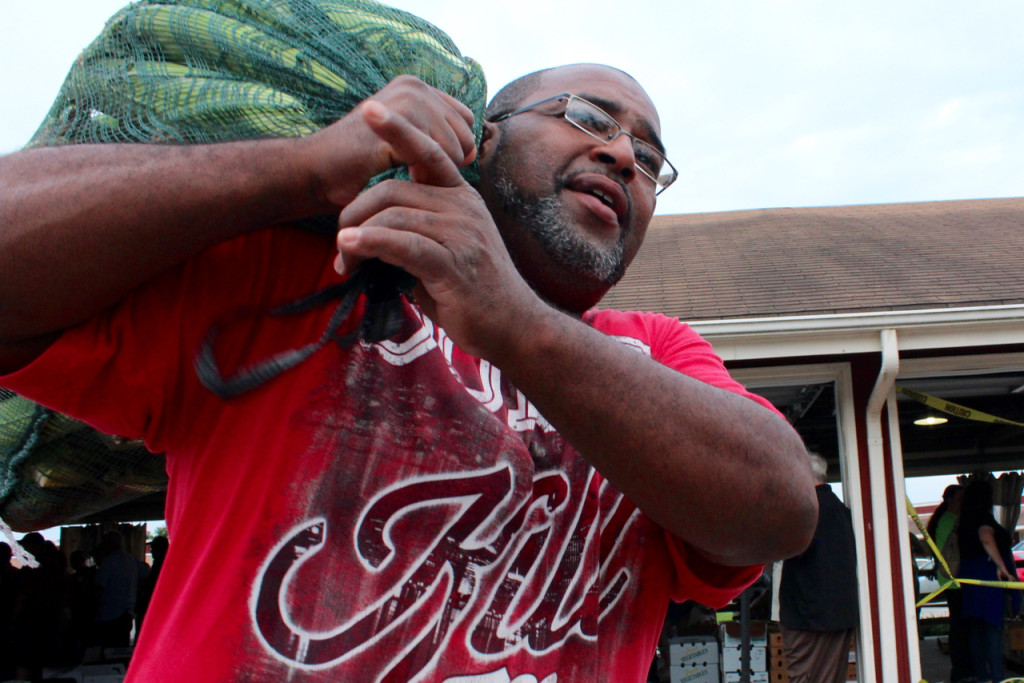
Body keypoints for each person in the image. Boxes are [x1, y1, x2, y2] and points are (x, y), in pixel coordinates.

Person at [0, 56, 818, 680]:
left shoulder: (653, 355)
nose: (622, 155)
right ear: (481, 137)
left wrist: (514, 321)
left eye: (650, 157)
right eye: (588, 116)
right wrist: (304, 167)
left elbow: (779, 510)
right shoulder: (311, 278)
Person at [778, 452, 859, 683]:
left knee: (805, 677)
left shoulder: (809, 511)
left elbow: (791, 548)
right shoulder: (838, 509)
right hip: (835, 614)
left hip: (809, 617)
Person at [958, 478, 1018, 683]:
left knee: (976, 628)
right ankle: (997, 676)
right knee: (992, 627)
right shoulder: (983, 518)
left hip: (969, 576)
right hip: (987, 575)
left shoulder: (964, 520)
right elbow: (986, 537)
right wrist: (1001, 566)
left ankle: (982, 676)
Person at [926, 483, 969, 682]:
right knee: (960, 627)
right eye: (961, 498)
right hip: (955, 580)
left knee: (958, 625)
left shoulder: (941, 520)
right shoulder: (950, 520)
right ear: (951, 500)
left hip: (949, 579)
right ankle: (960, 670)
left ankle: (959, 670)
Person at [93, 531, 140, 648]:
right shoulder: (131, 561)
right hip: (127, 613)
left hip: (109, 614)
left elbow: (99, 588)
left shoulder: (108, 561)